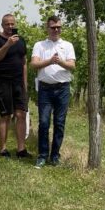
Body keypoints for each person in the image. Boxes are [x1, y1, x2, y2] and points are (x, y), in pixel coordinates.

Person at [30, 16, 76, 168]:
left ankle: (55, 156)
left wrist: (60, 62)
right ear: (47, 28)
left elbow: (72, 65)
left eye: (58, 27)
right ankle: (42, 155)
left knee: (59, 123)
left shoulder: (67, 45)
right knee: (44, 122)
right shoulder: (40, 45)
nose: (56, 30)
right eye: (53, 27)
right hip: (45, 89)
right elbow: (34, 64)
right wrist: (49, 61)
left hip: (62, 89)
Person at [0, 14, 30, 158]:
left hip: (18, 82)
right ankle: (3, 148)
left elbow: (24, 62)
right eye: (7, 24)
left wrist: (25, 83)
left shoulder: (21, 40)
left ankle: (21, 149)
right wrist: (7, 44)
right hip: (2, 81)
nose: (10, 26)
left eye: (12, 24)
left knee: (21, 114)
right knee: (6, 115)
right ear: (2, 25)